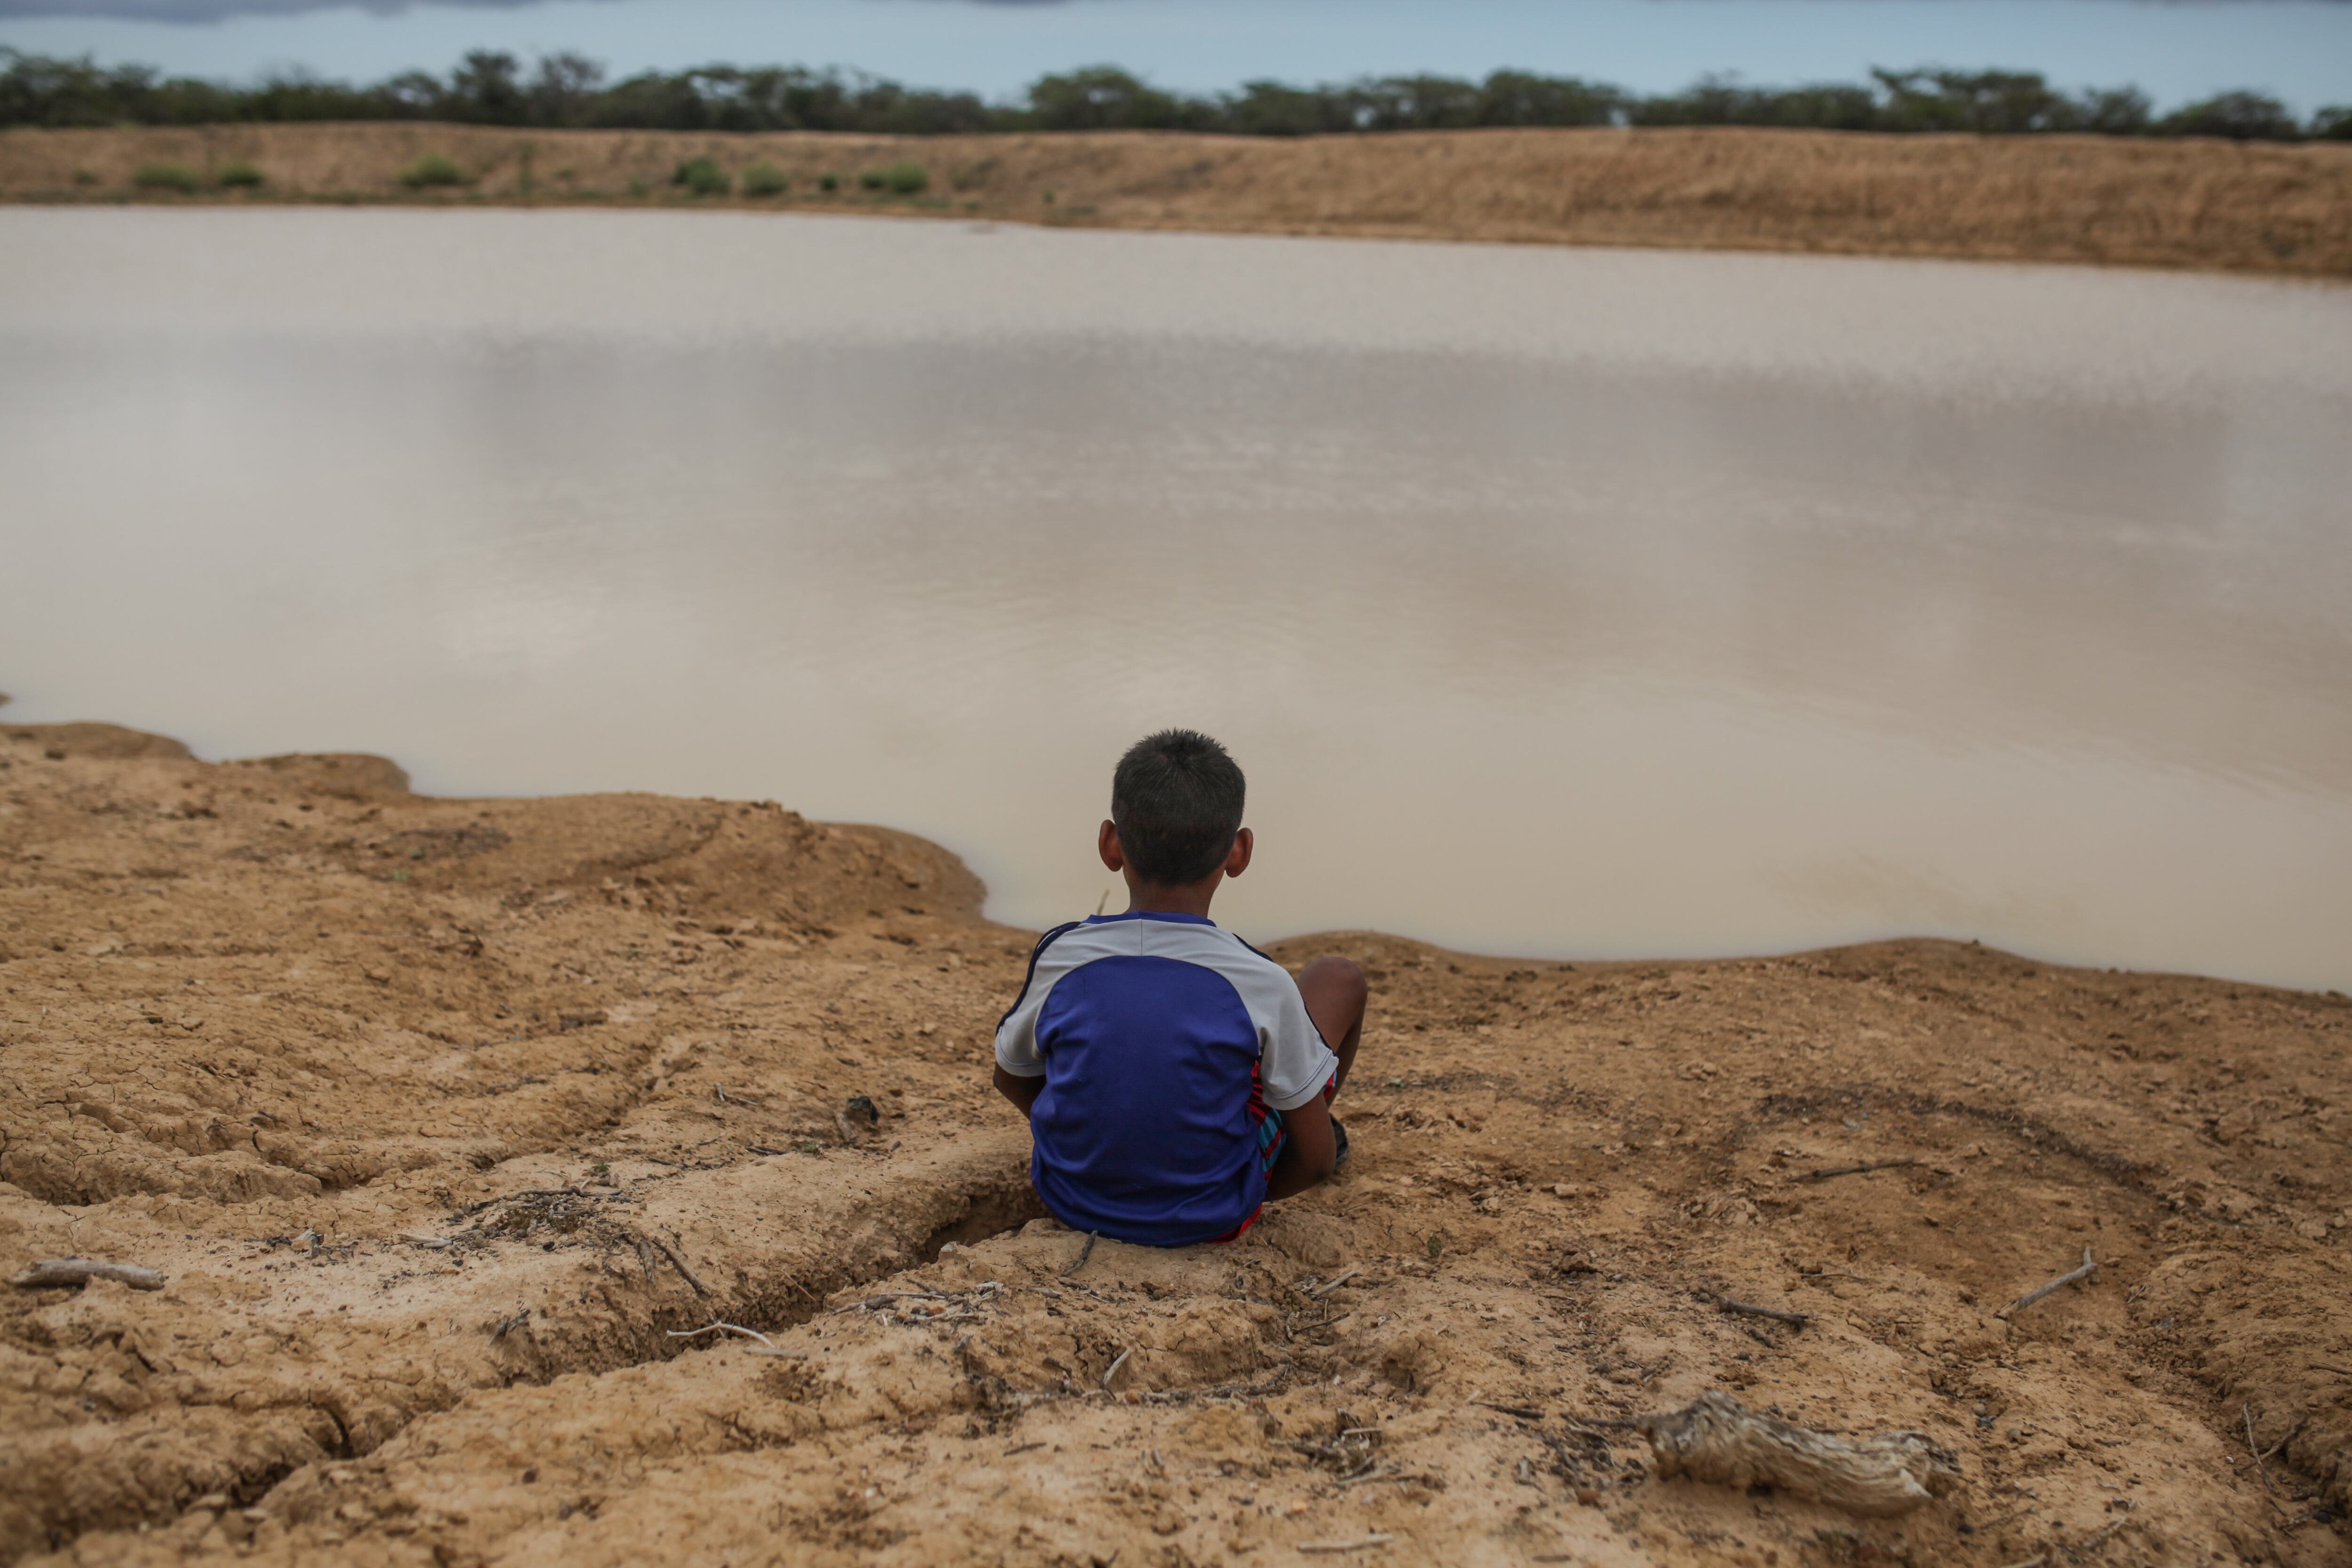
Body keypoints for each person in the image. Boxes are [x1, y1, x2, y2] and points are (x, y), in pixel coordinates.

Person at [992, 729, 1367, 1246]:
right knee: (1336, 979)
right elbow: (1318, 1165)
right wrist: (1243, 1193)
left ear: (1109, 843)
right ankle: (1283, 1133)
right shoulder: (1260, 981)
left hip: (1071, 1202)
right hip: (1212, 1217)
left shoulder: (1062, 956)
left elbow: (1011, 1077)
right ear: (1239, 852)